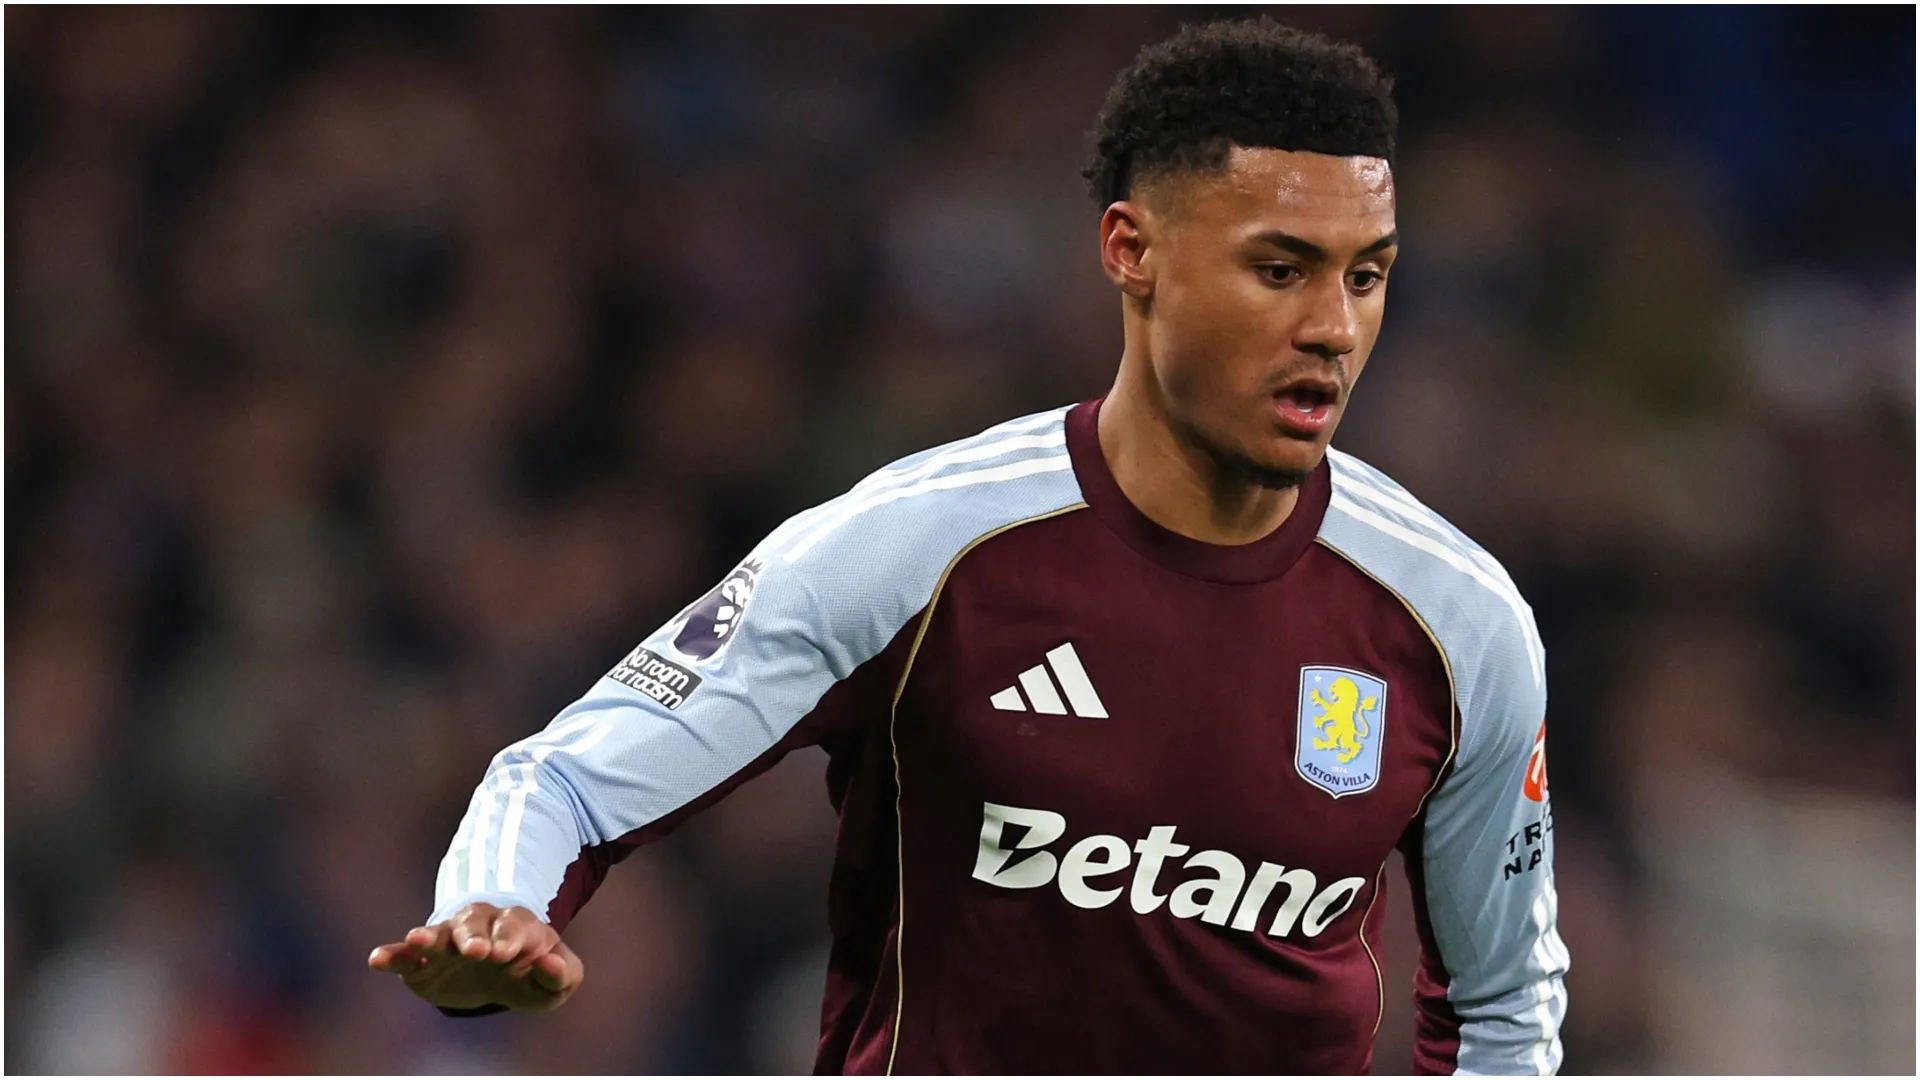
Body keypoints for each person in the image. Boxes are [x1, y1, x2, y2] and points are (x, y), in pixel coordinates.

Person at [369, 16, 1568, 1074]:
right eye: (1280, 269)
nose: (1333, 328)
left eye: (1367, 277)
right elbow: (565, 778)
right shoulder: (920, 549)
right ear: (1132, 251)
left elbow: (1504, 1008)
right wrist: (492, 907)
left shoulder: (1456, 620)